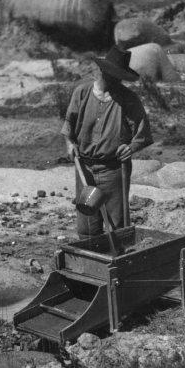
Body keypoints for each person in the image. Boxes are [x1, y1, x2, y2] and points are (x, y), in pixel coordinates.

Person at [61, 46, 153, 239]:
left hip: (114, 170)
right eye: (113, 74)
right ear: (103, 70)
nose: (116, 79)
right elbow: (69, 123)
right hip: (85, 168)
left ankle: (118, 256)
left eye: (120, 76)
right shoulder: (82, 93)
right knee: (87, 227)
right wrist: (69, 143)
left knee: (117, 227)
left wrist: (131, 147)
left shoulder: (128, 99)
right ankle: (92, 257)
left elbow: (143, 132)